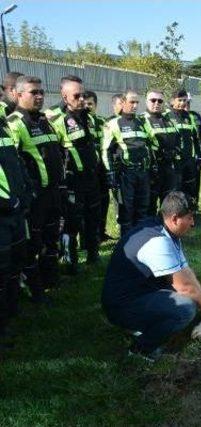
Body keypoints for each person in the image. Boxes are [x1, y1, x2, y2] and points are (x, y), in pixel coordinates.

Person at [102, 191, 201, 361]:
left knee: (189, 295)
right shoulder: (157, 242)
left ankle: (146, 324)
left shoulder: (165, 230)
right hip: (122, 306)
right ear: (175, 219)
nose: (193, 223)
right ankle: (141, 350)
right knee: (185, 308)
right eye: (190, 218)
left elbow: (186, 274)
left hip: (140, 292)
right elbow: (185, 287)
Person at [7, 76, 65, 296]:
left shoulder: (44, 120)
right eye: (34, 92)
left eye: (41, 92)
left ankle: (51, 278)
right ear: (18, 94)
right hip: (34, 197)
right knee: (33, 243)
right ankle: (34, 289)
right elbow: (12, 164)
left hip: (53, 192)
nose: (39, 96)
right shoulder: (14, 123)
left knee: (52, 237)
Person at [48, 75, 101, 273]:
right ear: (64, 97)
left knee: (93, 215)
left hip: (92, 177)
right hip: (72, 181)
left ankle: (93, 254)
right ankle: (71, 262)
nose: (81, 99)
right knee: (72, 222)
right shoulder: (57, 120)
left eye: (83, 95)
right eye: (76, 96)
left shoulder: (89, 117)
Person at [101, 89, 156, 236]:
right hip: (126, 174)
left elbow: (150, 145)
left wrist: (153, 165)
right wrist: (110, 173)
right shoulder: (113, 123)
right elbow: (106, 150)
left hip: (143, 172)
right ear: (123, 102)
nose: (135, 105)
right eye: (132, 102)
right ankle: (126, 242)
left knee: (143, 208)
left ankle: (141, 240)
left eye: (137, 102)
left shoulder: (142, 122)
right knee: (126, 210)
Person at [0, 111, 33, 344]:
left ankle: (11, 315)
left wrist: (23, 193)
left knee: (14, 262)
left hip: (15, 211)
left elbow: (15, 164)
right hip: (3, 212)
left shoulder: (3, 128)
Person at [142, 90, 181, 215]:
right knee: (150, 201)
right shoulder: (141, 120)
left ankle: (166, 227)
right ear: (146, 101)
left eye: (160, 101)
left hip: (169, 166)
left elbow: (177, 138)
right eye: (153, 100)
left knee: (169, 199)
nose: (156, 103)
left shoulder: (168, 120)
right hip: (152, 168)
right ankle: (152, 228)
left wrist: (175, 151)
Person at [84, 90, 114, 242]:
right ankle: (86, 238)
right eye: (85, 103)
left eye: (90, 104)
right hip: (88, 170)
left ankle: (101, 233)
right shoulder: (79, 122)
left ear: (96, 105)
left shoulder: (103, 122)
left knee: (104, 200)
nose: (87, 106)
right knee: (89, 205)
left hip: (102, 169)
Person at [167, 89, 201, 202]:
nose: (183, 103)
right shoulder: (166, 116)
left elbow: (196, 138)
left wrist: (199, 155)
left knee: (190, 185)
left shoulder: (189, 117)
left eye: (185, 100)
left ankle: (190, 210)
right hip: (175, 160)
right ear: (173, 101)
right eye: (180, 100)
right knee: (176, 187)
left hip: (189, 159)